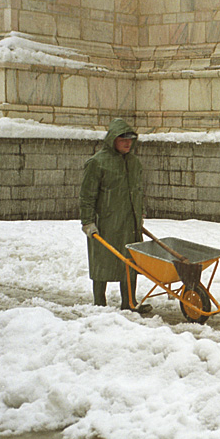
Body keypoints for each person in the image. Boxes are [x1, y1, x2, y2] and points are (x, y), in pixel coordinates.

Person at [79, 118, 152, 313]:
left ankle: (129, 302)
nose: (127, 143)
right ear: (112, 140)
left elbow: (137, 190)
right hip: (106, 223)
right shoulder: (97, 163)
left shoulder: (134, 163)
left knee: (129, 261)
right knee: (102, 261)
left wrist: (140, 212)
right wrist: (88, 222)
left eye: (130, 140)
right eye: (123, 139)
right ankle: (99, 303)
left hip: (129, 223)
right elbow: (87, 195)